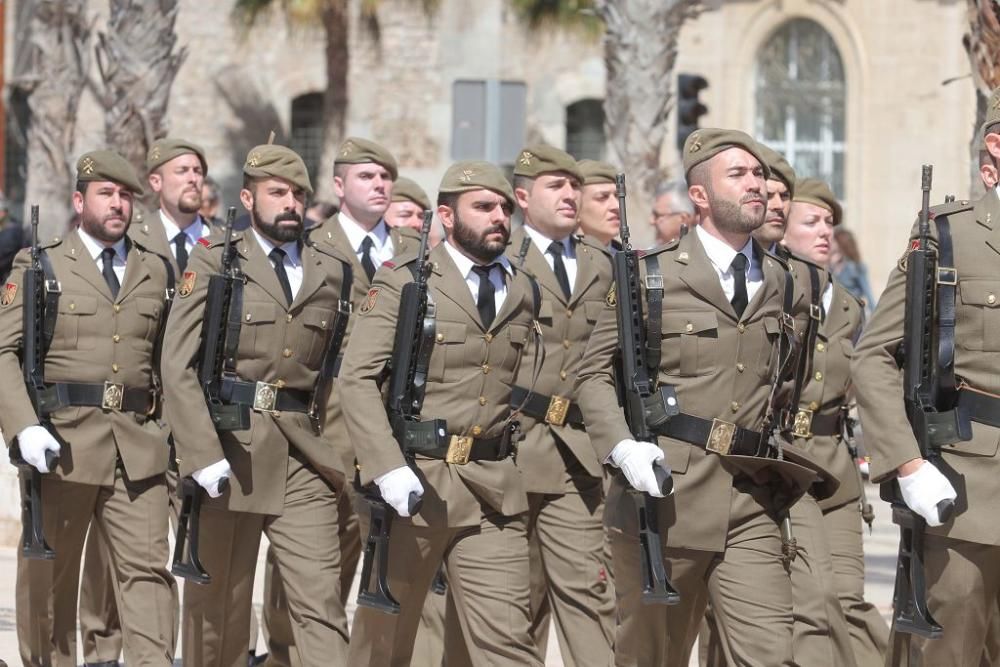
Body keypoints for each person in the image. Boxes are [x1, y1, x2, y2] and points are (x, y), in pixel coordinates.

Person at [576, 129, 823, 667]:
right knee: (652, 655)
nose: (756, 185)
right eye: (738, 175)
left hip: (750, 496)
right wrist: (621, 447)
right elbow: (592, 374)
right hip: (666, 498)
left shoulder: (787, 281)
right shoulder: (651, 275)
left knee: (771, 653)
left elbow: (788, 380)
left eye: (759, 175)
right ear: (701, 195)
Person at [340, 159, 544, 666]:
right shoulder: (404, 282)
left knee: (507, 643)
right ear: (447, 218)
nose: (498, 216)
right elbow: (358, 378)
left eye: (502, 207)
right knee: (383, 642)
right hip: (416, 483)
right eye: (483, 207)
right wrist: (386, 466)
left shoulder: (523, 290)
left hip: (492, 489)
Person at [161, 143, 354, 666]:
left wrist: (341, 454)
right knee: (217, 607)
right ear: (248, 198)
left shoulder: (332, 269)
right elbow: (176, 365)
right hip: (231, 446)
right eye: (277, 193)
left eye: (297, 193)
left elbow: (341, 370)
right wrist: (201, 454)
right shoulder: (215, 258)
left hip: (302, 455)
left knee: (321, 600)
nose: (290, 202)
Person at [0, 150, 178, 666]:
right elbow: (4, 349)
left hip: (138, 449)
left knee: (149, 576)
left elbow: (169, 362)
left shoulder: (157, 270)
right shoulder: (43, 263)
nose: (117, 203)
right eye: (106, 193)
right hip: (63, 446)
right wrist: (24, 427)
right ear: (80, 201)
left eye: (125, 195)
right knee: (50, 577)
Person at [852, 88, 1000, 667]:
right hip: (968, 488)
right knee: (950, 654)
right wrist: (908, 465)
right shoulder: (949, 236)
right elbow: (874, 356)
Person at [506, 145, 616, 665]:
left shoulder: (603, 265)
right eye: (556, 186)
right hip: (511, 450)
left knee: (591, 595)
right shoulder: (501, 259)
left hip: (579, 456)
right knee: (516, 603)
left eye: (574, 185)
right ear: (522, 197)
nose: (570, 194)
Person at [784, 177, 887, 665]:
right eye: (811, 222)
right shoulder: (769, 294)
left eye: (829, 222)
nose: (825, 231)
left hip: (838, 469)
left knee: (849, 601)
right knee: (816, 600)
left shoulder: (849, 305)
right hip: (789, 465)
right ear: (782, 232)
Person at [576, 159, 622, 250]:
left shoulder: (631, 261)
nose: (616, 206)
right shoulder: (562, 261)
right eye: (602, 197)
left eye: (618, 196)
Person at [831, 228, 875, 315]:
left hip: (852, 313)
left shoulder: (855, 267)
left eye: (833, 240)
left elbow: (868, 293)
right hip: (836, 313)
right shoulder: (831, 265)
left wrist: (875, 316)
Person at [650, 179, 695, 245]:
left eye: (657, 215)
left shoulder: (704, 252)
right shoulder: (651, 252)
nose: (651, 221)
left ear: (683, 219)